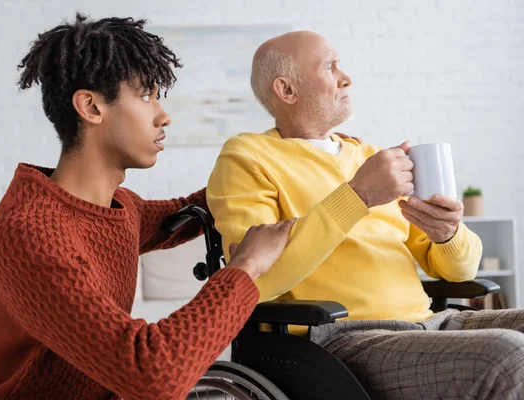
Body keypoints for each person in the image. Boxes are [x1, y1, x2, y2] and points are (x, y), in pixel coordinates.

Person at [0, 14, 295, 400]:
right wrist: (248, 267)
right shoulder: (29, 232)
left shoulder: (119, 207)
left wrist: (270, 168)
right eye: (146, 95)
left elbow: (187, 211)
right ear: (91, 107)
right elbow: (150, 373)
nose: (163, 115)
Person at [207, 30, 524, 399]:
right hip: (344, 339)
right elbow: (254, 280)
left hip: (431, 323)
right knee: (508, 356)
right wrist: (358, 196)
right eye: (331, 66)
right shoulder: (247, 156)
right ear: (287, 90)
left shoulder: (371, 157)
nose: (347, 77)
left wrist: (448, 234)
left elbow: (460, 272)